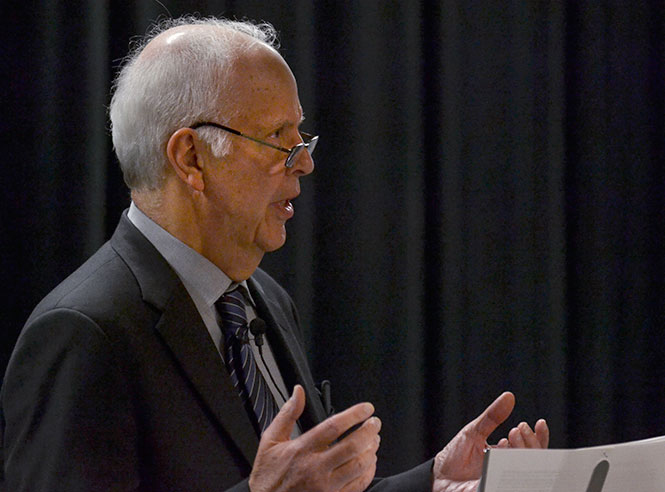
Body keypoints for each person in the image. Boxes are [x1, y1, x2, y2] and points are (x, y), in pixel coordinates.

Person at [0, 16, 549, 492]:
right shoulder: (82, 334)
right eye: (280, 141)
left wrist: (433, 480)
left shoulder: (263, 299)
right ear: (191, 158)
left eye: (301, 140)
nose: (304, 163)